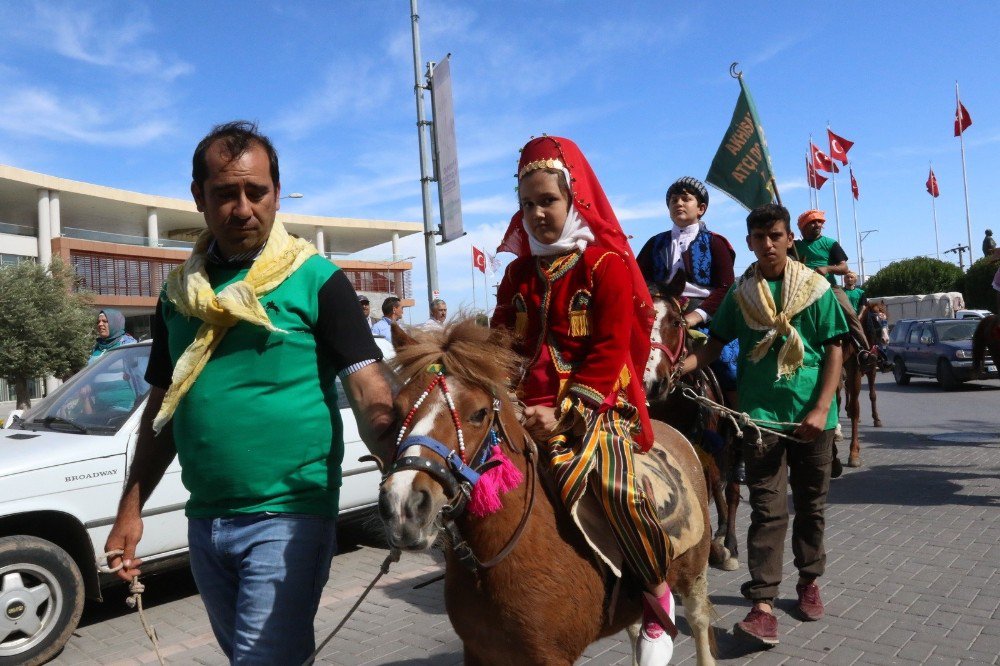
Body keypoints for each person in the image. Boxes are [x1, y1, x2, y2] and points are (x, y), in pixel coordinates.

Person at [103, 121, 396, 664]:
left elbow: (367, 384)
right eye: (225, 193)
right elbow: (163, 410)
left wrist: (402, 467)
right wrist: (130, 509)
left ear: (276, 194)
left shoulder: (318, 280)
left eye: (255, 192)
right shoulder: (177, 298)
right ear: (198, 198)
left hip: (290, 515)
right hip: (206, 521)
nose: (243, 208)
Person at [491, 135, 674, 664]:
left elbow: (610, 348)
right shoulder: (516, 274)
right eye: (527, 204)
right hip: (523, 410)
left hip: (593, 408)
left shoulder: (606, 266)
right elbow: (501, 343)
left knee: (617, 490)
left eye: (547, 200)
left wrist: (565, 411)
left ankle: (655, 596)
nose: (537, 213)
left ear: (575, 199)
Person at [681, 203, 847, 649]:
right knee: (768, 512)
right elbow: (715, 344)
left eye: (776, 235)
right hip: (760, 422)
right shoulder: (740, 294)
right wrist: (678, 368)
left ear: (790, 239)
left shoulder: (817, 289)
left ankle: (809, 581)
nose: (768, 243)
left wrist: (821, 407)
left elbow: (834, 349)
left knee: (811, 507)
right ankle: (764, 605)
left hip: (815, 419)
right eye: (759, 237)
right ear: (750, 242)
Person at [636, 176, 739, 397]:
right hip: (660, 313)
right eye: (673, 200)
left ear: (701, 208)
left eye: (685, 199)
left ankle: (737, 423)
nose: (678, 203)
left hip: (705, 314)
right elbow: (637, 281)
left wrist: (696, 316)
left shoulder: (716, 243)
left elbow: (726, 288)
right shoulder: (654, 243)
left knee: (727, 366)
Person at [795, 210, 871, 361]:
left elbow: (844, 268)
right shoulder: (795, 246)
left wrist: (827, 268)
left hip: (829, 287)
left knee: (850, 314)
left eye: (820, 222)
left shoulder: (830, 243)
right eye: (813, 222)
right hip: (804, 289)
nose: (818, 225)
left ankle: (865, 350)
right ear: (803, 227)